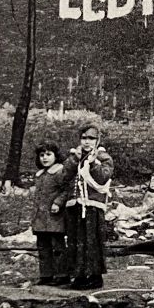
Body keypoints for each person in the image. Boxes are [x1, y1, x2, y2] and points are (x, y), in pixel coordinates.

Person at [63, 123, 114, 291]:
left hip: (93, 206)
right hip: (76, 205)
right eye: (83, 138)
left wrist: (93, 164)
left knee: (92, 242)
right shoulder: (75, 156)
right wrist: (74, 160)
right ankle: (79, 275)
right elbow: (64, 176)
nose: (86, 142)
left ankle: (95, 276)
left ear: (97, 140)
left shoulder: (103, 157)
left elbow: (103, 178)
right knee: (76, 241)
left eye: (91, 138)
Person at [31, 140, 68, 286]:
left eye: (48, 154)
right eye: (42, 155)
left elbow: (66, 190)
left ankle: (62, 274)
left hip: (54, 217)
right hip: (40, 218)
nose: (45, 158)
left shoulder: (59, 171)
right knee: (43, 247)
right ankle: (46, 275)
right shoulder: (40, 174)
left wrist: (58, 202)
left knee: (57, 247)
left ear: (56, 156)